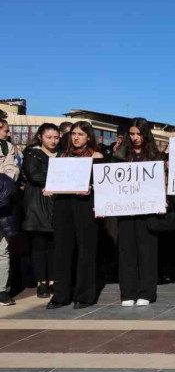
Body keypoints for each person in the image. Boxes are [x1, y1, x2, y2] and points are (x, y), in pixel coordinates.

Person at [46, 121, 105, 309]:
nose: (76, 137)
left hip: (85, 207)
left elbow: (103, 186)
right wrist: (50, 188)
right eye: (73, 134)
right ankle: (61, 295)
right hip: (63, 206)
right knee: (62, 251)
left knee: (86, 251)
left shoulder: (96, 156)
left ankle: (84, 295)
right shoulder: (62, 156)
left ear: (89, 136)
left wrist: (91, 189)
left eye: (80, 134)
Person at [112, 118, 165, 307]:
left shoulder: (155, 156)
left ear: (145, 134)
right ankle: (128, 292)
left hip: (148, 211)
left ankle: (147, 292)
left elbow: (161, 183)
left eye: (139, 134)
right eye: (132, 134)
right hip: (125, 211)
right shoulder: (119, 155)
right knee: (126, 251)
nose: (135, 138)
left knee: (147, 252)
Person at [21, 123, 61, 299]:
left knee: (54, 245)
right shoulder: (32, 154)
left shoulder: (62, 154)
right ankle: (41, 282)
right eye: (49, 137)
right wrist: (59, 177)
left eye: (56, 137)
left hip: (56, 204)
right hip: (37, 205)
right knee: (39, 245)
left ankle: (53, 280)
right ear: (40, 137)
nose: (53, 141)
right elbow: (34, 176)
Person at [0, 119, 21, 306]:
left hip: (2, 204)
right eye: (6, 130)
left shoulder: (6, 147)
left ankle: (1, 290)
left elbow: (12, 171)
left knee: (2, 249)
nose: (8, 134)